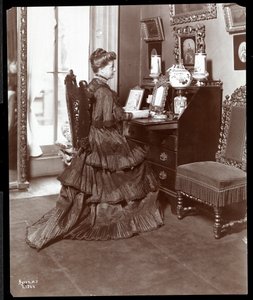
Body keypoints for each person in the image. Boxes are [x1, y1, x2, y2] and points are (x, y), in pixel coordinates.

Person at [26, 48, 164, 251]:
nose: (114, 70)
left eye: (113, 66)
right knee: (138, 161)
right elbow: (108, 121)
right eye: (111, 67)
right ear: (101, 67)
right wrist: (132, 115)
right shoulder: (105, 91)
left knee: (108, 169)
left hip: (92, 136)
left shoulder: (92, 85)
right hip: (103, 136)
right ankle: (130, 212)